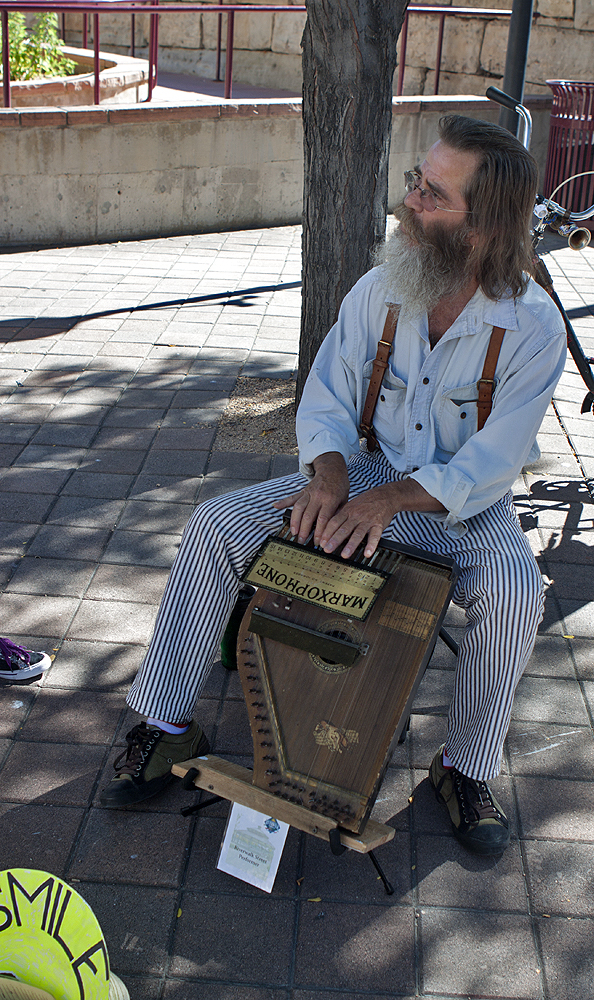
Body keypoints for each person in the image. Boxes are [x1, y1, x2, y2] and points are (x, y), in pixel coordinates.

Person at [100, 115, 567, 856]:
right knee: (217, 527)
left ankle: (465, 767)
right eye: (417, 181)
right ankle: (162, 723)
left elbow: (493, 463)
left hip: (459, 504)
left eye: (431, 195)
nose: (409, 202)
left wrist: (387, 502)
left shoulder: (535, 326)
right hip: (369, 473)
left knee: (515, 593)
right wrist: (329, 475)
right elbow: (326, 399)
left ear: (482, 225)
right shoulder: (381, 289)